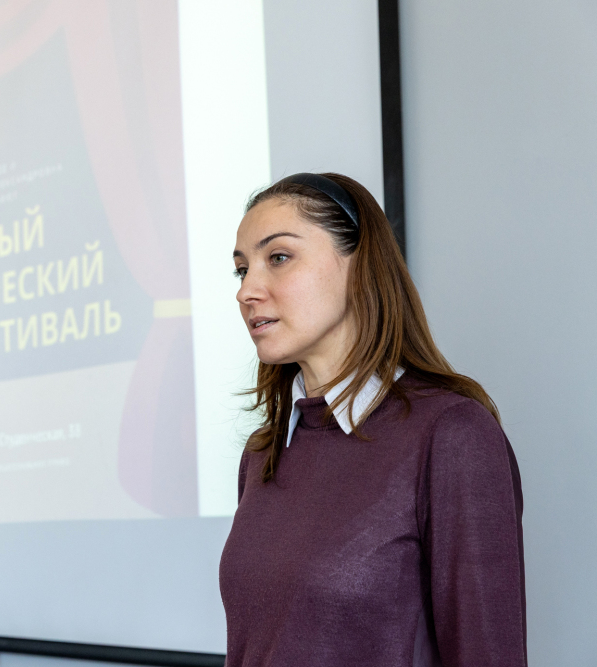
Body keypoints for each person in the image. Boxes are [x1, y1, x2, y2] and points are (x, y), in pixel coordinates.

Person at [219, 173, 526, 666]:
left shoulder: (451, 435)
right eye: (241, 270)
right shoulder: (264, 453)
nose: (247, 291)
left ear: (360, 264)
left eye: (278, 257)